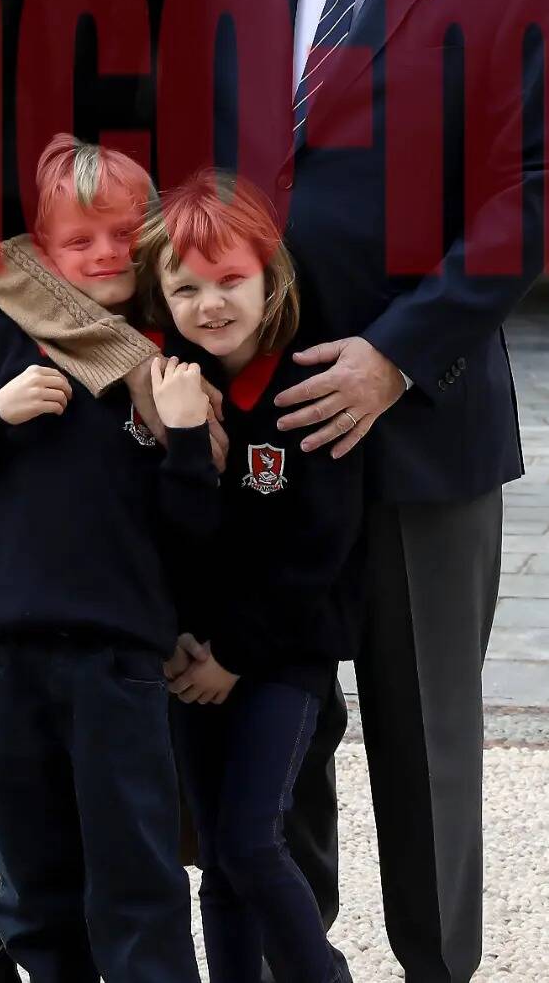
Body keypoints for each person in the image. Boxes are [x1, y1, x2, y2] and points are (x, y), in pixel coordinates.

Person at [0, 0, 480, 979]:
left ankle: (269, 942)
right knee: (1, 685)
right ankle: (5, 947)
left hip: (207, 373)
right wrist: (133, 381)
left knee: (254, 656)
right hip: (28, 387)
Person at [189, 0, 549, 983]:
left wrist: (395, 354)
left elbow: (535, 190)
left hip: (423, 430)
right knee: (266, 735)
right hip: (256, 431)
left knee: (426, 748)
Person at [0, 134, 217, 983]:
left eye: (123, 234)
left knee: (138, 887)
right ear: (44, 252)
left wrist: (189, 439)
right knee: (33, 893)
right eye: (80, 240)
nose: (104, 255)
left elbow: (193, 533)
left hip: (118, 667)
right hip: (3, 667)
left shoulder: (164, 368)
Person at [140, 170, 363, 983]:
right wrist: (188, 441)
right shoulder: (172, 393)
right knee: (216, 865)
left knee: (249, 839)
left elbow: (319, 551)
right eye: (187, 286)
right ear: (161, 296)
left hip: (280, 660)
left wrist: (233, 653)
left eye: (231, 280)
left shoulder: (309, 390)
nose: (211, 303)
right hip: (192, 663)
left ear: (270, 277)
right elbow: (178, 537)